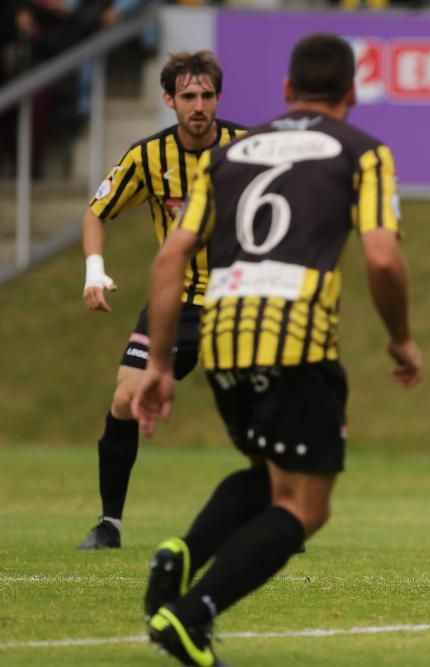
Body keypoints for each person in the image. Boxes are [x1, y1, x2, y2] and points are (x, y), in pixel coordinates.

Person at [131, 32, 422, 665]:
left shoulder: (225, 157)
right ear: (351, 94)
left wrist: (157, 364)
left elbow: (170, 258)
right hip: (295, 342)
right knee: (305, 507)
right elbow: (381, 255)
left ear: (288, 92)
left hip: (224, 336)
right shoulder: (364, 152)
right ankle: (193, 614)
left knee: (269, 477)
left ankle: (178, 556)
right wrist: (400, 338)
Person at [78, 50, 246, 550]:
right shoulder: (147, 157)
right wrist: (94, 269)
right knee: (126, 398)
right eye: (188, 96)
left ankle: (287, 514)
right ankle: (109, 524)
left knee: (263, 408)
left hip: (241, 301)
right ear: (169, 99)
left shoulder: (249, 148)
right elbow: (96, 212)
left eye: (207, 96)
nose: (199, 106)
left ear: (218, 98)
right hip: (177, 302)